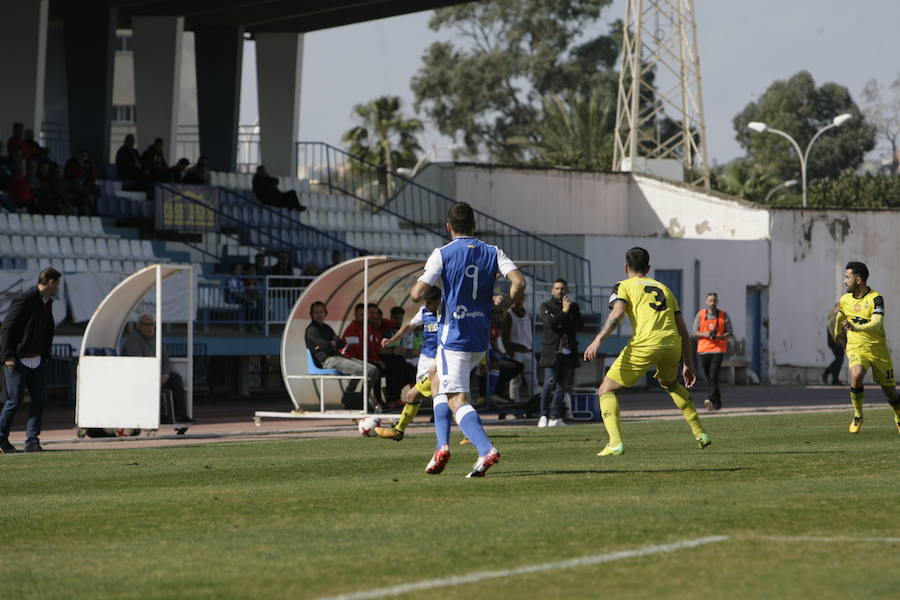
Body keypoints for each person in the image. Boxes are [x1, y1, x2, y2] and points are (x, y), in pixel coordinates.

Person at [409, 201, 526, 478]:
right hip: (479, 337)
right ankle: (441, 446)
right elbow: (519, 282)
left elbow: (417, 295)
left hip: (454, 336)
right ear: (474, 226)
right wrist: (504, 305)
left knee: (456, 398)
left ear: (448, 227)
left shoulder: (443, 253)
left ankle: (485, 449)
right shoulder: (493, 251)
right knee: (436, 379)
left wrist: (424, 281)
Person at [583, 247, 711, 456]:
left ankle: (615, 443)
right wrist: (688, 363)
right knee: (670, 384)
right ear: (648, 268)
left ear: (626, 267)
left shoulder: (622, 285)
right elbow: (683, 331)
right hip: (671, 344)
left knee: (606, 389)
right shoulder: (664, 288)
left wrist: (598, 339)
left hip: (646, 343)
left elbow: (618, 313)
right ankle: (700, 433)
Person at [833, 262, 900, 434]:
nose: (844, 281)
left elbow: (877, 324)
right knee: (856, 375)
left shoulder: (876, 299)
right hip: (856, 346)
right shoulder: (845, 299)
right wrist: (836, 330)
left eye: (847, 277)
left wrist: (857, 327)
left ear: (858, 279)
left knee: (890, 392)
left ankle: (899, 416)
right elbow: (841, 314)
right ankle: (858, 415)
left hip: (877, 348)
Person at [0, 267, 61, 453]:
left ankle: (32, 440)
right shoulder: (25, 298)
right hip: (17, 360)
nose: (58, 288)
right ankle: (1, 438)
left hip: (37, 360)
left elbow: (46, 329)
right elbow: (7, 328)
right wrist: (8, 356)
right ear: (51, 282)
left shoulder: (47, 302)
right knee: (14, 401)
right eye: (57, 284)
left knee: (38, 400)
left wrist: (45, 355)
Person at [375, 287, 442, 441]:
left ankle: (400, 429)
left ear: (439, 300)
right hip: (426, 359)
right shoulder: (424, 311)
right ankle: (402, 426)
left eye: (431, 301)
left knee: (433, 394)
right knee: (418, 394)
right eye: (426, 301)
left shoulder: (448, 313)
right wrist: (392, 340)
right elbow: (408, 326)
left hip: (441, 359)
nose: (428, 304)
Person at [305, 301, 380, 406]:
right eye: (316, 312)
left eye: (321, 312)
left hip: (339, 357)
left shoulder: (327, 328)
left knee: (373, 370)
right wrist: (331, 343)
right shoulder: (312, 330)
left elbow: (341, 343)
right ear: (311, 314)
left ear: (325, 313)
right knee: (365, 370)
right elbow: (326, 346)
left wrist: (332, 343)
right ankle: (352, 399)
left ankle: (361, 398)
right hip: (328, 361)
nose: (319, 315)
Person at [121, 314, 192, 423]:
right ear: (139, 326)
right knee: (153, 383)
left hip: (157, 375)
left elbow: (165, 360)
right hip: (139, 377)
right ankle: (156, 416)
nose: (150, 327)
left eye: (152, 324)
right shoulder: (133, 339)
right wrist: (154, 375)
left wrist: (165, 374)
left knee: (176, 378)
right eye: (146, 324)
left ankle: (180, 415)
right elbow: (139, 363)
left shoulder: (157, 339)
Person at [538, 279, 583, 427]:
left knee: (562, 386)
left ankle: (555, 417)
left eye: (562, 288)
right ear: (552, 290)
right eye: (557, 288)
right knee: (549, 383)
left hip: (568, 351)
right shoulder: (546, 306)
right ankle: (543, 415)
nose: (560, 291)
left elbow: (578, 325)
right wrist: (564, 312)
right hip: (552, 352)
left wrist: (563, 317)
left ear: (567, 290)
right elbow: (551, 324)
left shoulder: (573, 307)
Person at [692, 292, 733, 411]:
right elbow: (694, 332)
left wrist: (719, 336)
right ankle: (718, 401)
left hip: (718, 349)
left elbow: (729, 332)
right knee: (709, 378)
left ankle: (709, 399)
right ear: (706, 302)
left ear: (717, 301)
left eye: (714, 301)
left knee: (713, 376)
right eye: (710, 301)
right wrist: (706, 334)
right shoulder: (700, 315)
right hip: (703, 350)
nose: (712, 303)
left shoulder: (723, 315)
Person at [342, 303, 387, 408]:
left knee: (376, 368)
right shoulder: (351, 329)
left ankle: (363, 399)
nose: (363, 317)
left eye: (364, 314)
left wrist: (376, 360)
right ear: (355, 315)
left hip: (361, 359)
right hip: (350, 359)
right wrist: (373, 361)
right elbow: (354, 352)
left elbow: (370, 349)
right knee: (371, 370)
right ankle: (358, 399)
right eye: (360, 315)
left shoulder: (367, 328)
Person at [502, 294, 534, 403]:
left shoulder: (528, 315)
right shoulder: (509, 315)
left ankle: (534, 405)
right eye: (516, 299)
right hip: (517, 353)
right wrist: (510, 353)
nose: (518, 301)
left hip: (529, 352)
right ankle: (514, 405)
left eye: (520, 298)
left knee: (533, 381)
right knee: (515, 382)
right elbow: (505, 336)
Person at [822, 303, 844, 386]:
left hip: (834, 342)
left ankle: (835, 379)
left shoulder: (832, 316)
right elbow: (837, 332)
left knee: (839, 360)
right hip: (836, 342)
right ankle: (827, 373)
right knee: (839, 360)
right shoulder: (835, 317)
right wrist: (843, 342)